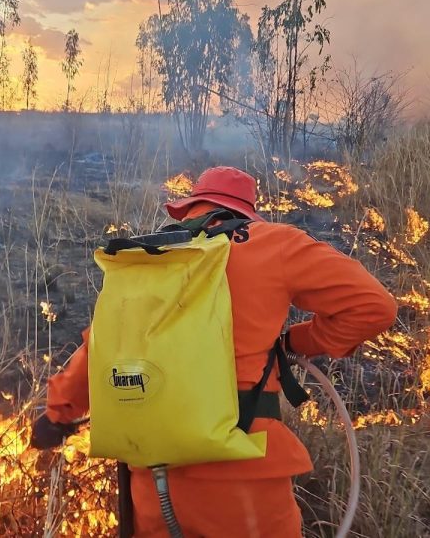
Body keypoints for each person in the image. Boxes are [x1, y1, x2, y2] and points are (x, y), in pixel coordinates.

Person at [32, 166, 397, 537]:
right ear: (247, 212)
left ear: (192, 206)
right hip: (245, 483)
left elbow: (104, 347)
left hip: (154, 484)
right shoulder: (275, 243)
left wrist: (58, 416)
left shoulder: (149, 256)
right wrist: (293, 341)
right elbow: (374, 306)